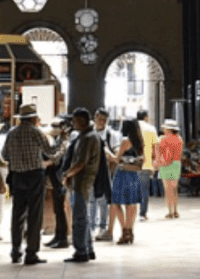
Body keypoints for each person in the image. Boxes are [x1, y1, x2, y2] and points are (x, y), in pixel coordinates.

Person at [1, 103, 61, 265]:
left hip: (17, 177)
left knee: (17, 214)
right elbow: (50, 151)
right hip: (35, 175)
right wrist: (60, 143)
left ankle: (15, 251)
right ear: (33, 118)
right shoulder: (36, 132)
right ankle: (31, 252)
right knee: (35, 214)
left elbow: (5, 155)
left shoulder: (12, 133)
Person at [61, 108, 101, 262]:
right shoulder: (87, 136)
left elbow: (80, 163)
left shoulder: (87, 138)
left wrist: (66, 174)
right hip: (83, 182)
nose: (73, 123)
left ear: (83, 121)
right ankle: (88, 249)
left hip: (82, 182)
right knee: (84, 217)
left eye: (75, 120)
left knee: (79, 219)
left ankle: (81, 251)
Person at [108, 117, 144, 244]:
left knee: (116, 202)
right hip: (134, 175)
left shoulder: (125, 141)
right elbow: (142, 160)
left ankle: (124, 231)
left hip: (122, 174)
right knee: (132, 204)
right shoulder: (140, 141)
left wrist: (107, 151)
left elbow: (116, 159)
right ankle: (130, 231)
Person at [43, 116, 71, 249]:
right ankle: (58, 236)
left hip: (60, 178)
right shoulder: (58, 139)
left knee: (60, 209)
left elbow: (59, 155)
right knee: (57, 209)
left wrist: (48, 162)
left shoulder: (66, 141)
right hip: (55, 177)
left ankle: (62, 238)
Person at [92, 109, 120, 240]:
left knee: (103, 201)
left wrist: (107, 153)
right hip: (91, 172)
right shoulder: (89, 132)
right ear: (95, 118)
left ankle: (102, 227)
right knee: (91, 201)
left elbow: (116, 154)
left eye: (104, 120)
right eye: (99, 119)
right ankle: (91, 228)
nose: (101, 122)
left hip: (105, 172)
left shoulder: (111, 135)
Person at [156, 118, 183, 218]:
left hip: (165, 164)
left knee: (168, 190)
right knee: (174, 188)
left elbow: (159, 153)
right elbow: (180, 153)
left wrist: (157, 164)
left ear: (168, 129)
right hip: (176, 163)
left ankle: (170, 212)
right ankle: (175, 210)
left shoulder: (162, 139)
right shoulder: (179, 139)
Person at [136, 109, 158, 221]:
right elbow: (155, 148)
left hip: (132, 163)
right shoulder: (151, 128)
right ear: (145, 117)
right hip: (146, 163)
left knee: (132, 188)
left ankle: (130, 212)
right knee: (144, 190)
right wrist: (155, 163)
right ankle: (142, 213)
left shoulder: (132, 127)